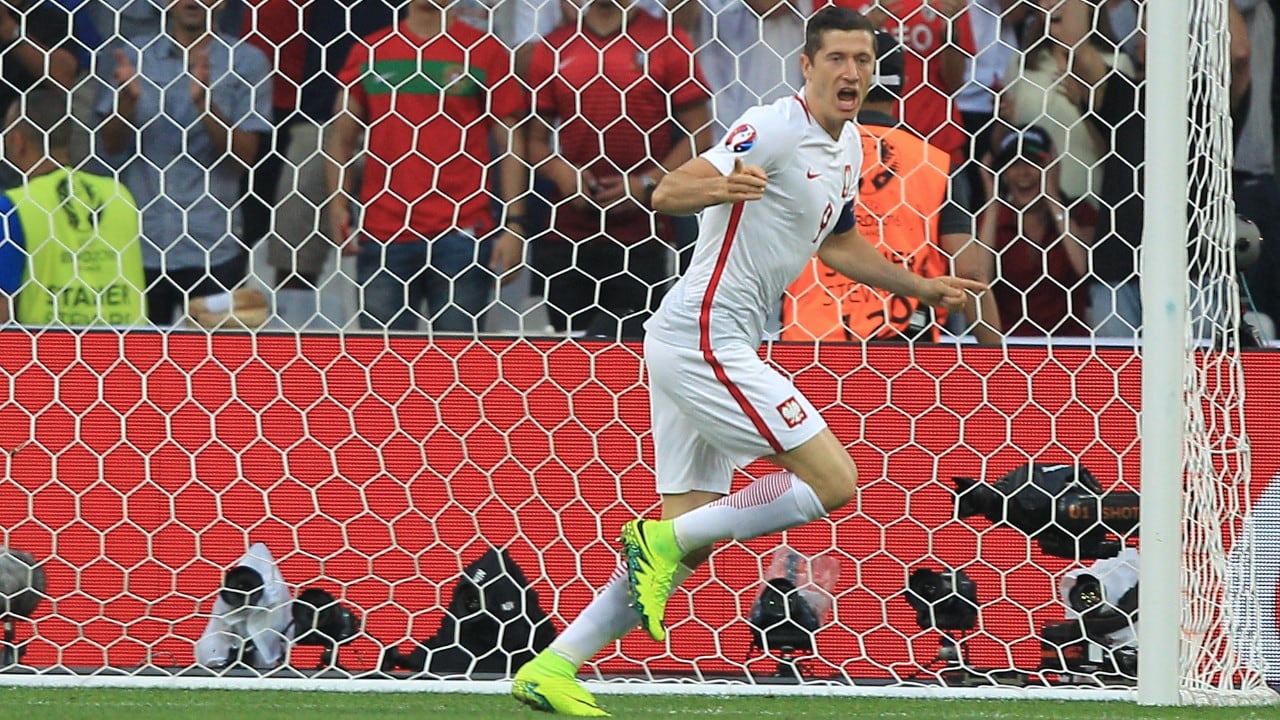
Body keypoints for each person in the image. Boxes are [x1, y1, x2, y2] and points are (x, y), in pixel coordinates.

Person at [510, 7, 985, 716]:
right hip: (707, 336)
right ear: (807, 64)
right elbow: (669, 191)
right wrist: (718, 186)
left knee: (687, 545)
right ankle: (656, 542)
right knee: (833, 480)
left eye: (862, 59)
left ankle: (552, 668)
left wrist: (920, 287)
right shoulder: (773, 126)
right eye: (837, 58)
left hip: (698, 339)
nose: (852, 71)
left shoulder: (848, 147)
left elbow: (838, 244)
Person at [782, 30, 1000, 344]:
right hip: (905, 345)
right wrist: (999, 360)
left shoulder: (805, 157)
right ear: (905, 85)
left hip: (813, 342)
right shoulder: (934, 164)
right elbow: (970, 274)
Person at [327, 0, 528, 333]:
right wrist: (337, 205)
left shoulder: (484, 50)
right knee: (383, 358)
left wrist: (515, 224)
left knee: (456, 358)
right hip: (385, 233)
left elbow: (511, 142)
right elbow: (340, 138)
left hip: (463, 232)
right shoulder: (370, 51)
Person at [525, 0, 711, 338]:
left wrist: (646, 184)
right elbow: (533, 140)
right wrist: (562, 173)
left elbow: (700, 134)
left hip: (642, 233)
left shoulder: (668, 40)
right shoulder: (554, 45)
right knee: (567, 353)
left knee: (634, 351)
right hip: (568, 232)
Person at [95, 0, 272, 326]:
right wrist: (126, 103)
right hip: (141, 243)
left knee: (214, 355)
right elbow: (111, 145)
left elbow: (244, 159)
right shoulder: (134, 55)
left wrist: (205, 103)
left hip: (212, 245)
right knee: (140, 354)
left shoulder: (247, 62)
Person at [0, 90, 145, 326]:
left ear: (17, 141)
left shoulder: (14, 207)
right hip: (125, 345)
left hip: (50, 347)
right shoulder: (119, 195)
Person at [978, 126, 1093, 338]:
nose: (1024, 172)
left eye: (1034, 162)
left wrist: (1052, 198)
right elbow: (980, 282)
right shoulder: (992, 221)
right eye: (1014, 164)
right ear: (1002, 175)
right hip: (1010, 342)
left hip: (1070, 343)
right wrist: (992, 204)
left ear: (1051, 168)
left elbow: (1085, 268)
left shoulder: (1078, 212)